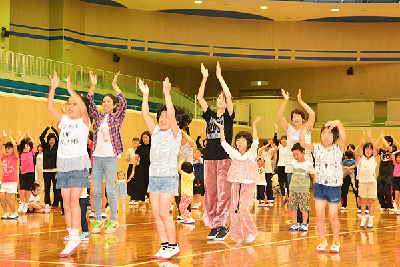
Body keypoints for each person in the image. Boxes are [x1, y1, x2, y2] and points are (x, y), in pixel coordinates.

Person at [139, 77, 192, 260]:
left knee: (164, 213)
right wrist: (145, 95)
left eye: (165, 117)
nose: (162, 119)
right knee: (155, 214)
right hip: (154, 177)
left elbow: (171, 114)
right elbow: (145, 115)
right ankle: (164, 246)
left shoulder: (175, 134)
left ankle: (173, 246)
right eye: (160, 117)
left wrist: (167, 94)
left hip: (168, 178)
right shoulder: (154, 131)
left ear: (173, 120)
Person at [48, 71, 91, 257]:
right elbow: (50, 107)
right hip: (63, 165)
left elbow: (83, 108)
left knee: (75, 201)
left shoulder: (84, 122)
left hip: (78, 164)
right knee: (65, 201)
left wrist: (70, 90)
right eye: (69, 103)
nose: (71, 106)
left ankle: (76, 236)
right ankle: (72, 235)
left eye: (74, 103)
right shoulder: (64, 121)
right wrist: (53, 88)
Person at [197, 62, 235, 240]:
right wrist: (205, 78)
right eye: (218, 97)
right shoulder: (210, 115)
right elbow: (200, 98)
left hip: (224, 158)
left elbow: (228, 94)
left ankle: (223, 225)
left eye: (223, 98)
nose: (221, 99)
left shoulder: (228, 116)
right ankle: (214, 224)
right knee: (211, 192)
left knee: (223, 192)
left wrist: (219, 77)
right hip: (209, 158)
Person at [88, 70, 127, 234]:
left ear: (113, 105)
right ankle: (98, 219)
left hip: (110, 158)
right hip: (97, 158)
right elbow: (90, 102)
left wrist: (115, 86)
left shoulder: (116, 118)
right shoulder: (98, 117)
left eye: (109, 101)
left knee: (110, 190)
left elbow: (124, 103)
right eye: (103, 101)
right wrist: (92, 85)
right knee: (96, 191)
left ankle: (113, 220)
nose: (105, 104)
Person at [300, 120, 346, 253]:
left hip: (334, 187)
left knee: (332, 215)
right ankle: (322, 240)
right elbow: (302, 144)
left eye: (329, 133)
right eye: (323, 133)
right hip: (319, 186)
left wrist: (338, 123)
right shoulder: (317, 148)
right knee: (319, 216)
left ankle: (336, 241)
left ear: (334, 136)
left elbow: (344, 137)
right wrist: (303, 130)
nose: (325, 136)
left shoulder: (338, 148)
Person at [214, 116, 261, 244]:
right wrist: (221, 129)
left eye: (243, 140)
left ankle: (252, 232)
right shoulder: (234, 154)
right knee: (234, 211)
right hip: (236, 185)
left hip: (248, 186)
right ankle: (238, 236)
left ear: (248, 142)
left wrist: (254, 126)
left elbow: (256, 141)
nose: (240, 142)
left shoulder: (251, 154)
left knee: (243, 210)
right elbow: (224, 143)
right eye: (238, 140)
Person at [278, 89, 315, 194]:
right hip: (291, 165)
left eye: (298, 116)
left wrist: (301, 101)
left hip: (305, 164)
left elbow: (312, 115)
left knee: (303, 193)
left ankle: (303, 211)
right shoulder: (289, 129)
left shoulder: (307, 128)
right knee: (292, 194)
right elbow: (280, 116)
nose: (296, 118)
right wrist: (285, 101)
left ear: (302, 118)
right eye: (294, 117)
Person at [287, 143, 314, 232]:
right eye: (294, 154)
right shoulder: (293, 162)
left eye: (297, 154)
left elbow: (313, 175)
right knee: (293, 207)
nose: (295, 156)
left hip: (303, 190)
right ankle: (295, 224)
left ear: (303, 152)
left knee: (304, 208)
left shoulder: (308, 164)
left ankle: (304, 224)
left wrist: (314, 184)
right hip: (293, 189)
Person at [357, 129, 378, 228]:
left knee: (371, 201)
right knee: (363, 201)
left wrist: (370, 137)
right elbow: (360, 147)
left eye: (370, 149)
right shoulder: (362, 158)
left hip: (371, 183)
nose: (368, 150)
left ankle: (371, 219)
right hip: (363, 182)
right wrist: (363, 137)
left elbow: (375, 147)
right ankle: (363, 219)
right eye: (366, 149)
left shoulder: (374, 158)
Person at [40, 123, 61, 209]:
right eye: (50, 140)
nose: (51, 141)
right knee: (47, 187)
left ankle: (56, 203)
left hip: (55, 170)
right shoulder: (45, 147)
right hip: (46, 171)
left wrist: (52, 128)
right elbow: (41, 137)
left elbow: (59, 137)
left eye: (53, 140)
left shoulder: (57, 146)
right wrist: (47, 128)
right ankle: (47, 203)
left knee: (56, 188)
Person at [175, 127, 194, 219]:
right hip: (178, 170)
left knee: (186, 192)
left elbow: (191, 141)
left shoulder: (189, 144)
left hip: (187, 172)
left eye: (185, 132)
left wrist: (183, 133)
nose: (182, 134)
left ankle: (187, 212)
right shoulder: (176, 144)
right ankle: (181, 212)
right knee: (178, 192)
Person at [0, 129, 19, 219]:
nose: (7, 150)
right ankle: (6, 213)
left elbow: (15, 145)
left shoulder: (15, 157)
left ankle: (14, 213)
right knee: (2, 198)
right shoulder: (3, 157)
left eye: (9, 148)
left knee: (8, 198)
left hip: (12, 182)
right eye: (6, 148)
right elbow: (0, 147)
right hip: (5, 182)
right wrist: (3, 138)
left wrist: (10, 136)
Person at [130, 131, 151, 208]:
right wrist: (133, 170)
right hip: (142, 167)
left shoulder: (153, 146)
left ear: (149, 138)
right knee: (141, 185)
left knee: (150, 185)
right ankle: (143, 203)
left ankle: (152, 202)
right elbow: (135, 160)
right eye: (143, 138)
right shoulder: (139, 148)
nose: (145, 139)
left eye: (146, 137)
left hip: (151, 167)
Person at [376, 131, 394, 211]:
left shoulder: (392, 150)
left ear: (389, 143)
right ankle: (383, 206)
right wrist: (380, 137)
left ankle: (390, 206)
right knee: (379, 191)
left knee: (387, 191)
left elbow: (388, 147)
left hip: (389, 174)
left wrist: (383, 137)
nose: (383, 143)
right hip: (381, 174)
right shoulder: (381, 151)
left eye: (385, 142)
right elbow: (374, 146)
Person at [273, 124, 289, 206]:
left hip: (287, 166)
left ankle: (288, 199)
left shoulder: (289, 147)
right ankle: (283, 199)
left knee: (287, 183)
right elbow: (275, 140)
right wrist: (276, 130)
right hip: (280, 166)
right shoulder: (280, 147)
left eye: (285, 139)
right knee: (281, 183)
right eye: (282, 140)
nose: (283, 141)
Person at [258, 139, 276, 206]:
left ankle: (270, 198)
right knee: (262, 185)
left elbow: (276, 149)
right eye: (266, 146)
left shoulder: (270, 150)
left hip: (269, 171)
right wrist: (268, 144)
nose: (267, 148)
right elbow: (261, 149)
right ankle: (263, 198)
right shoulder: (261, 150)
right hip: (262, 171)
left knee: (269, 184)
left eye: (268, 147)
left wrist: (271, 144)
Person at [178, 157, 195, 224]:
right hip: (189, 195)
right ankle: (185, 218)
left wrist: (181, 161)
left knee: (182, 207)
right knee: (183, 206)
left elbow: (179, 170)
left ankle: (189, 217)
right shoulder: (192, 175)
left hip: (185, 194)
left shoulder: (185, 175)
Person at [126, 137, 139, 204]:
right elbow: (127, 160)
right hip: (131, 166)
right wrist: (127, 157)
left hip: (138, 167)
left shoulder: (140, 149)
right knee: (130, 182)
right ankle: (131, 197)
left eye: (137, 141)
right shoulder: (129, 150)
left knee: (137, 182)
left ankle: (136, 198)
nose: (135, 142)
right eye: (134, 141)